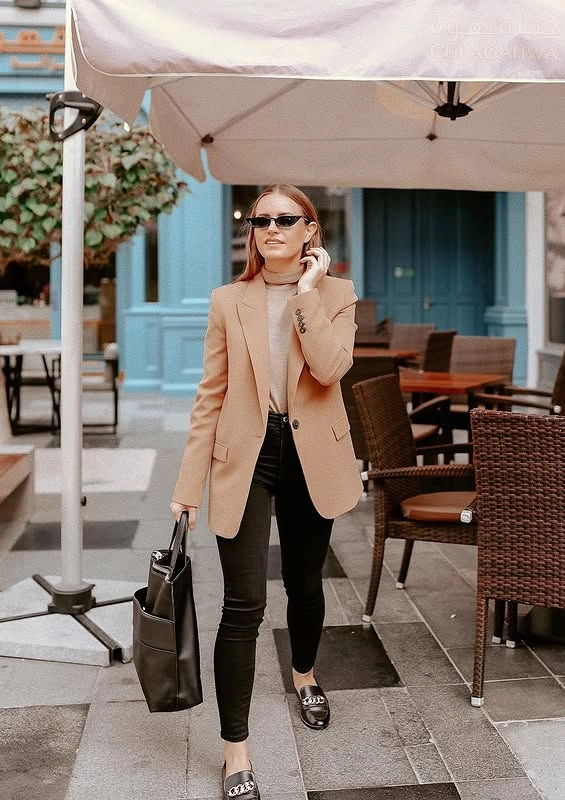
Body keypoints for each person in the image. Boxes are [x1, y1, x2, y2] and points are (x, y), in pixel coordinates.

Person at [170, 184, 363, 800]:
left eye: (286, 219)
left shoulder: (337, 294)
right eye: (261, 220)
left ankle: (304, 674)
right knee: (243, 603)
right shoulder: (229, 301)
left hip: (312, 457)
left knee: (306, 586)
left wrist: (306, 295)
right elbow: (211, 394)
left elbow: (331, 369)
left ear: (310, 230)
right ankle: (235, 752)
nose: (271, 227)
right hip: (246, 456)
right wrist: (186, 485)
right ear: (252, 232)